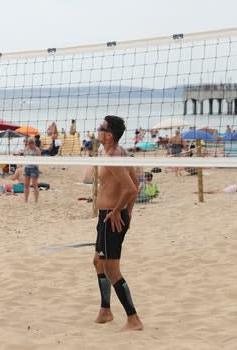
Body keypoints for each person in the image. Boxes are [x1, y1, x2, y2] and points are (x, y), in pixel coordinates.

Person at [93, 115, 143, 331]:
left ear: (109, 135)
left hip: (110, 218)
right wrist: (128, 214)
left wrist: (116, 211)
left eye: (101, 128)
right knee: (98, 261)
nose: (98, 131)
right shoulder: (122, 154)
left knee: (112, 269)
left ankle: (133, 319)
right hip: (110, 217)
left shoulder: (114, 157)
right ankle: (106, 310)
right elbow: (137, 185)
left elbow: (132, 189)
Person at [23, 137, 41, 203]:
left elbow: (39, 159)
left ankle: (36, 200)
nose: (30, 145)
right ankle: (26, 200)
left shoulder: (37, 149)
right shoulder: (26, 149)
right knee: (26, 185)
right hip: (27, 168)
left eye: (32, 143)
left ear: (34, 143)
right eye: (29, 143)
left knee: (34, 185)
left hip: (34, 168)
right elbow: (24, 158)